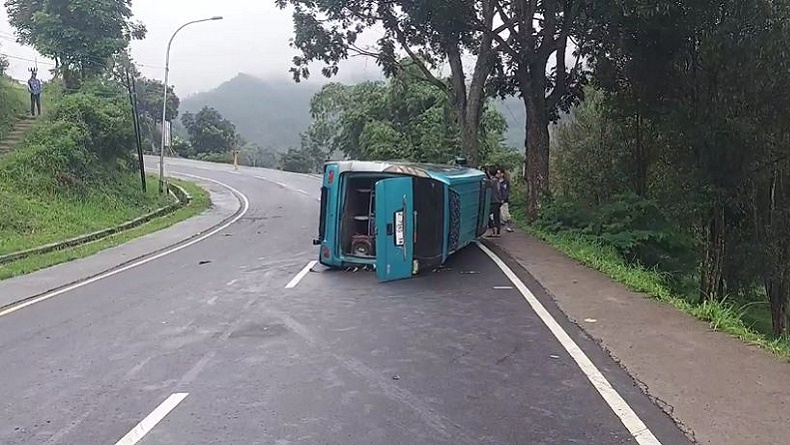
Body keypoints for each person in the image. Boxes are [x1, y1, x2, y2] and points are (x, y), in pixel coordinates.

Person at [487, 168, 502, 237]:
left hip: (494, 200)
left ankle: (494, 231)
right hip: (497, 200)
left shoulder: (492, 181)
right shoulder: (496, 180)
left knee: (488, 215)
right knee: (496, 216)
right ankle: (496, 231)